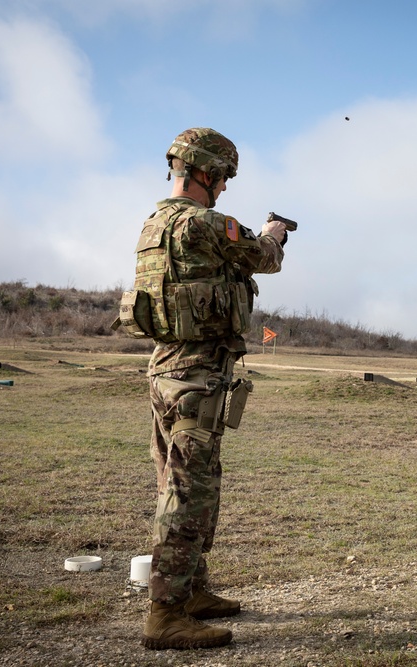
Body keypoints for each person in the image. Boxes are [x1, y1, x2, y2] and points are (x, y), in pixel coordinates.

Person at [120, 128, 287, 650]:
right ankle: (165, 614)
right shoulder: (209, 224)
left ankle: (192, 592)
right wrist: (275, 232)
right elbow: (266, 258)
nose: (223, 188)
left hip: (164, 369)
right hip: (196, 376)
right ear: (209, 175)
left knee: (183, 482)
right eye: (223, 179)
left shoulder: (154, 224)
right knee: (189, 492)